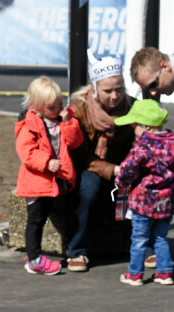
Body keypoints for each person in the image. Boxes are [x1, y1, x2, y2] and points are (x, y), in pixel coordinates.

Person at [65, 50, 135, 272]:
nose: (115, 96)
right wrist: (112, 170)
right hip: (91, 165)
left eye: (119, 89)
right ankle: (77, 249)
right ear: (94, 88)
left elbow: (140, 142)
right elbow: (80, 154)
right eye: (108, 91)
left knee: (147, 187)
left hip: (124, 164)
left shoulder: (133, 107)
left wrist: (130, 167)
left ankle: (145, 245)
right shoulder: (79, 109)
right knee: (89, 189)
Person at [15, 77, 82, 275]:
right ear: (37, 107)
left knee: (62, 213)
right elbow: (26, 152)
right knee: (36, 220)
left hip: (58, 179)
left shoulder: (63, 119)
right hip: (37, 181)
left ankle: (67, 249)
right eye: (52, 107)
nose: (58, 109)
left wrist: (68, 122)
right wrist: (45, 162)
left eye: (60, 104)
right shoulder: (30, 124)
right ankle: (34, 258)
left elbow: (75, 141)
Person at [114, 99, 174, 286]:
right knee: (160, 238)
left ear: (146, 127)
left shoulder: (142, 147)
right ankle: (165, 273)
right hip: (166, 202)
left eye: (135, 127)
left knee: (139, 239)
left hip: (143, 202)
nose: (133, 131)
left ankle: (135, 274)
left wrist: (120, 182)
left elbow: (127, 170)